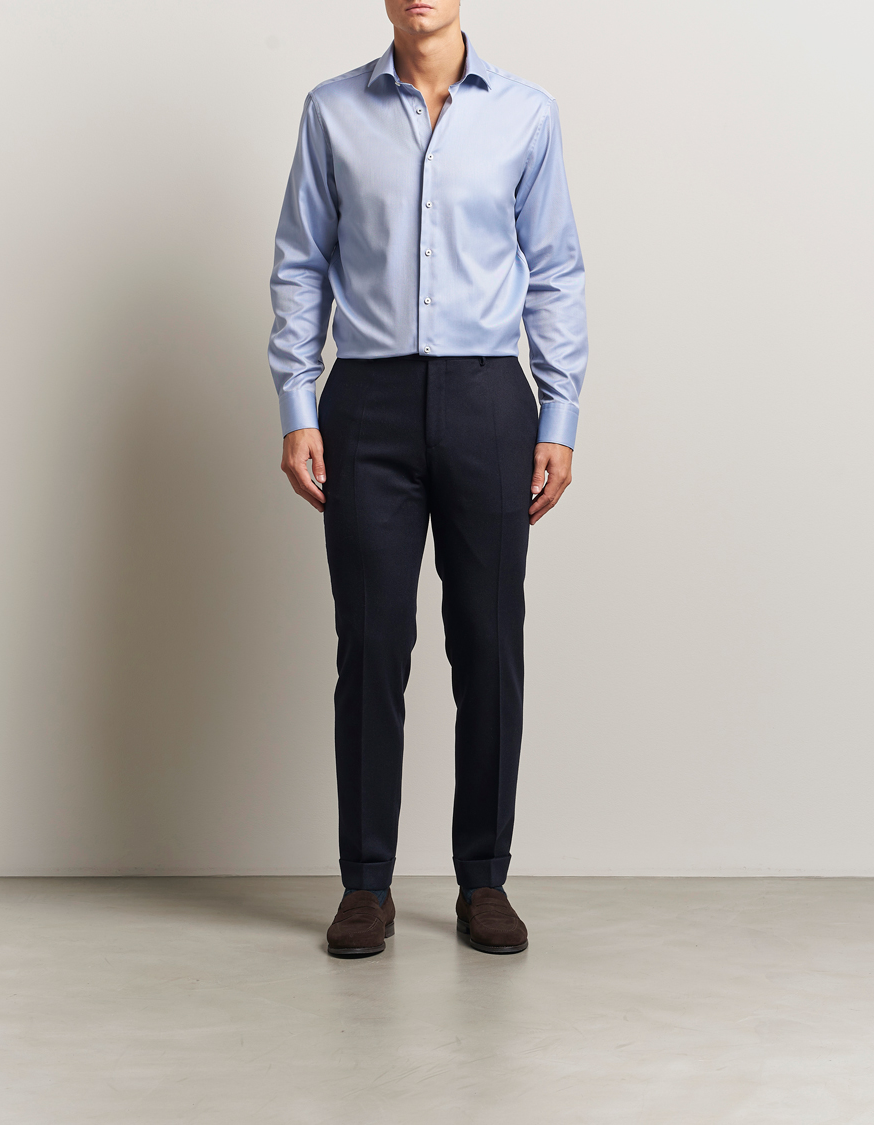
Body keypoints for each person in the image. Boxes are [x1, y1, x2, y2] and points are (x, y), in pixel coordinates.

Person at [268, 0, 587, 957]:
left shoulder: (527, 114)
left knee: (489, 644)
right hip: (366, 402)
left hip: (490, 399)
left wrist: (560, 415)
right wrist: (297, 405)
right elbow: (300, 263)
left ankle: (484, 878)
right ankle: (365, 884)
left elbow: (555, 270)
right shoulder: (331, 111)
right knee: (371, 645)